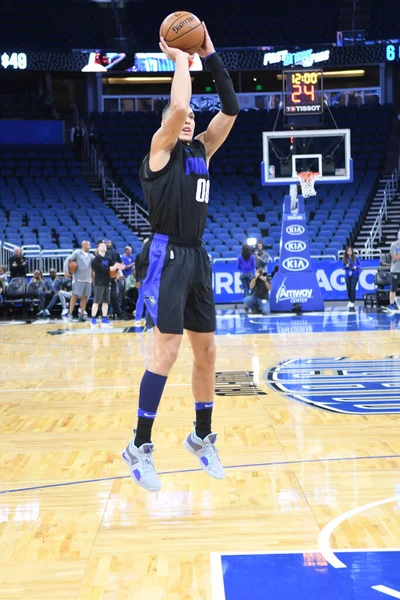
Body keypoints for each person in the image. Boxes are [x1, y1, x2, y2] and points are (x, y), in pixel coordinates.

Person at [122, 23, 239, 491]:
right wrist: (179, 61)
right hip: (165, 253)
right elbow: (180, 105)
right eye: (181, 118)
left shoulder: (203, 151)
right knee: (166, 351)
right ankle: (139, 445)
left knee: (206, 352)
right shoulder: (159, 152)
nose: (188, 120)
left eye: (192, 119)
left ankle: (202, 436)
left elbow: (230, 108)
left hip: (197, 256)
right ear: (169, 125)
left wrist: (210, 53)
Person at [91, 241, 123, 327]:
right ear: (98, 249)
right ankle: (93, 319)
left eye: (104, 245)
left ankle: (104, 318)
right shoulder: (96, 258)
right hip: (99, 282)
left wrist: (119, 266)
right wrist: (111, 268)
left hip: (107, 282)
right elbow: (102, 269)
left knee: (106, 302)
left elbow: (115, 265)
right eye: (102, 245)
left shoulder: (107, 258)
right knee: (97, 301)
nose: (104, 246)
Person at [63, 240, 94, 322]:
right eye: (88, 245)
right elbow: (67, 260)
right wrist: (66, 271)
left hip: (88, 280)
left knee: (84, 297)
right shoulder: (77, 253)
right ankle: (70, 314)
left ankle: (82, 315)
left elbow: (97, 261)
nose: (90, 246)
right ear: (84, 245)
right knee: (74, 296)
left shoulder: (91, 256)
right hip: (78, 279)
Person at [105, 239, 124, 319]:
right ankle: (104, 314)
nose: (108, 244)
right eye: (106, 242)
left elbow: (120, 265)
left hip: (112, 277)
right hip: (105, 277)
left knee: (114, 296)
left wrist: (118, 274)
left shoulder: (115, 254)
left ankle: (118, 313)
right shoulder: (103, 254)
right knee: (105, 297)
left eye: (109, 242)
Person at [389, 230, 400, 311]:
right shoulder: (394, 245)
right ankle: (391, 304)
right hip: (395, 270)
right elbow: (394, 257)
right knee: (393, 289)